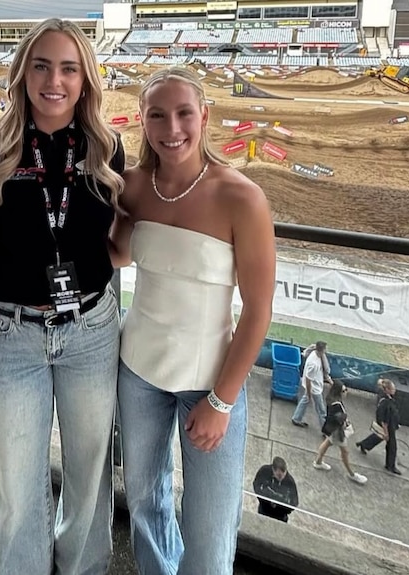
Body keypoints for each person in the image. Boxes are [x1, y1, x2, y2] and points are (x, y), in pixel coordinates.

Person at [0, 18, 126, 575]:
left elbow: (119, 237)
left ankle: (83, 569)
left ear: (85, 79)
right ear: (23, 73)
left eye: (69, 68)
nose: (55, 80)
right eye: (42, 65)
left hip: (91, 330)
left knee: (90, 473)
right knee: (17, 483)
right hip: (11, 335)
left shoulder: (107, 147)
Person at [109, 66, 275, 574]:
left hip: (211, 381)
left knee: (209, 526)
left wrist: (222, 401)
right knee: (144, 504)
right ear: (142, 121)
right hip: (137, 371)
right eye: (157, 115)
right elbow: (117, 256)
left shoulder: (241, 197)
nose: (172, 127)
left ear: (205, 116)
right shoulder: (133, 186)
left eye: (184, 113)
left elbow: (259, 310)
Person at [313, 381, 368, 485]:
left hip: (333, 430)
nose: (346, 392)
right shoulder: (337, 404)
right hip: (338, 432)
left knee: (326, 443)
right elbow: (339, 418)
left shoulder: (331, 400)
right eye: (344, 390)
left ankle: (318, 462)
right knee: (345, 452)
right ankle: (352, 474)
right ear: (339, 392)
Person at [356, 377, 402, 475]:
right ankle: (390, 465)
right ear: (388, 390)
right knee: (392, 446)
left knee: (378, 437)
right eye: (393, 388)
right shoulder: (385, 402)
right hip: (388, 426)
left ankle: (364, 444)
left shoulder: (387, 398)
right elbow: (383, 419)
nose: (395, 390)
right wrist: (386, 432)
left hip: (391, 424)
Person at [291, 341, 331, 429]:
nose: (326, 352)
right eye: (325, 350)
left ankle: (296, 418)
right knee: (321, 410)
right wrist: (309, 393)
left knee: (305, 400)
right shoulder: (314, 364)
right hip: (314, 389)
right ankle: (325, 429)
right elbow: (309, 379)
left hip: (314, 386)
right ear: (321, 351)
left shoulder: (314, 354)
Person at [253, 457, 299, 523]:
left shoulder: (290, 482)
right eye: (279, 475)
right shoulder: (264, 471)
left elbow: (294, 502)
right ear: (273, 470)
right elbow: (256, 484)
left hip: (280, 516)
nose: (282, 477)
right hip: (264, 510)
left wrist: (283, 509)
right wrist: (263, 499)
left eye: (284, 474)